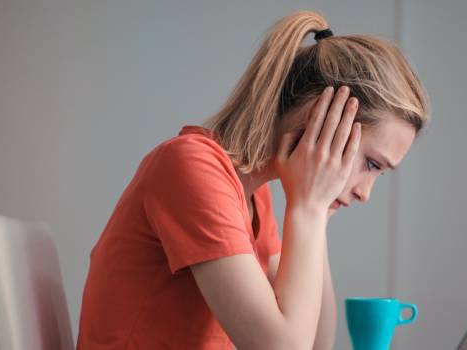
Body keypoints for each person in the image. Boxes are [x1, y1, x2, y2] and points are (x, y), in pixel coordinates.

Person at [76, 10, 430, 350]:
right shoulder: (191, 166)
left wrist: (316, 215)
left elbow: (316, 343)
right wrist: (307, 208)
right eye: (371, 164)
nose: (366, 193)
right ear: (320, 120)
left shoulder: (252, 195)